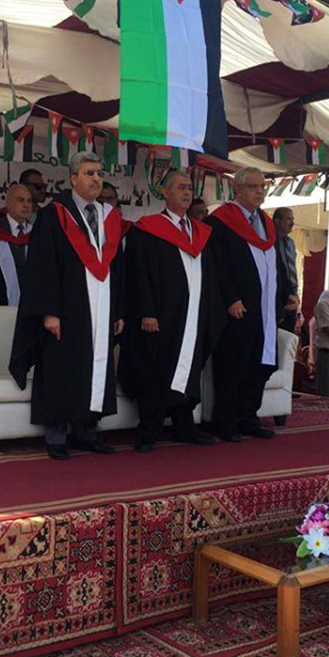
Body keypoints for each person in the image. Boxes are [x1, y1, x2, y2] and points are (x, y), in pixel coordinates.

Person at [9, 152, 125, 461]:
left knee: (95, 365)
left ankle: (87, 430)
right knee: (60, 368)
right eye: (89, 173)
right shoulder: (55, 215)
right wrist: (50, 311)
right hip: (65, 307)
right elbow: (43, 266)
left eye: (99, 173)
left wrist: (118, 310)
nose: (96, 179)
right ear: (73, 178)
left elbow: (117, 267)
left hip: (101, 308)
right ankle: (56, 435)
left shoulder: (109, 217)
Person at [119, 170, 222, 452]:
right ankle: (148, 430)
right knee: (156, 370)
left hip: (192, 315)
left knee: (189, 369)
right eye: (180, 188)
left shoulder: (199, 232)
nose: (186, 192)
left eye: (189, 188)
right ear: (165, 193)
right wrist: (147, 311)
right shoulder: (148, 229)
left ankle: (184, 425)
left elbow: (209, 275)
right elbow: (138, 274)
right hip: (161, 315)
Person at [206, 167, 288, 441]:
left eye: (262, 187)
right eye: (253, 187)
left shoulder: (266, 223)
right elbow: (218, 266)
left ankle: (248, 417)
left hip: (266, 309)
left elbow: (276, 263)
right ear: (237, 190)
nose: (259, 192)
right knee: (234, 365)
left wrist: (285, 294)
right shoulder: (221, 221)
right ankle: (226, 421)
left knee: (259, 365)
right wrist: (230, 298)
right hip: (239, 309)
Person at [272, 207, 300, 333]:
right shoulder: (271, 241)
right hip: (278, 294)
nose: (292, 223)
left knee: (288, 334)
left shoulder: (290, 243)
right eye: (288, 219)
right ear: (277, 221)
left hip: (292, 294)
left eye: (292, 219)